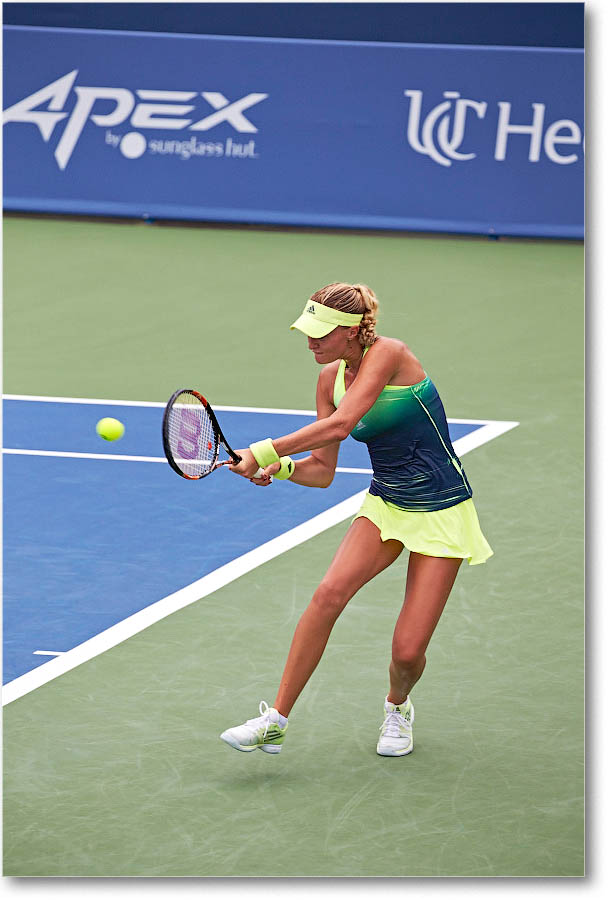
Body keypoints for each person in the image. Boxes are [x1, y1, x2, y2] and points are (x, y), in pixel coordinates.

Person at [220, 282, 492, 757]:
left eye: (321, 333)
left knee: (407, 651)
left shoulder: (390, 354)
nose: (311, 342)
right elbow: (323, 471)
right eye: (308, 332)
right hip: (386, 504)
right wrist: (279, 468)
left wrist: (261, 449)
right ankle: (275, 721)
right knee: (327, 595)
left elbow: (342, 425)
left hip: (442, 509)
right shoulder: (329, 379)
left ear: (350, 331)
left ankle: (397, 707)